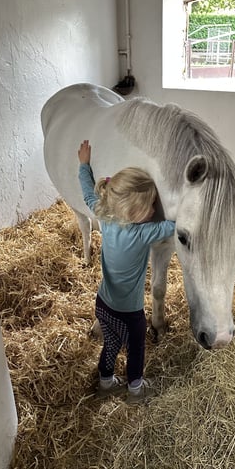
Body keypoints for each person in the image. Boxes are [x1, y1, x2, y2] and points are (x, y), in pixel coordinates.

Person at [77, 140, 175, 404]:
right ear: (133, 212)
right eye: (150, 206)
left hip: (104, 304)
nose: (155, 211)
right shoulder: (144, 233)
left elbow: (88, 193)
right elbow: (175, 225)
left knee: (110, 345)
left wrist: (84, 165)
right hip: (129, 313)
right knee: (136, 350)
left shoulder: (105, 217)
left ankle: (106, 382)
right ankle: (135, 390)